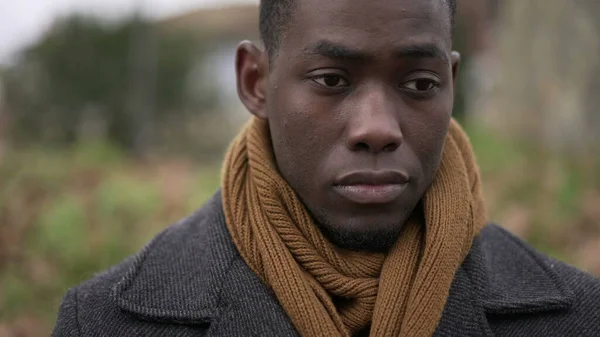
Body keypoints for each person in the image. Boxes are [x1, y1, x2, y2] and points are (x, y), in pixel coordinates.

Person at [52, 0, 600, 336]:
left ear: (451, 83)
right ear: (255, 82)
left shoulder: (577, 318)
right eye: (332, 80)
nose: (377, 128)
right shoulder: (106, 321)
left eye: (419, 84)